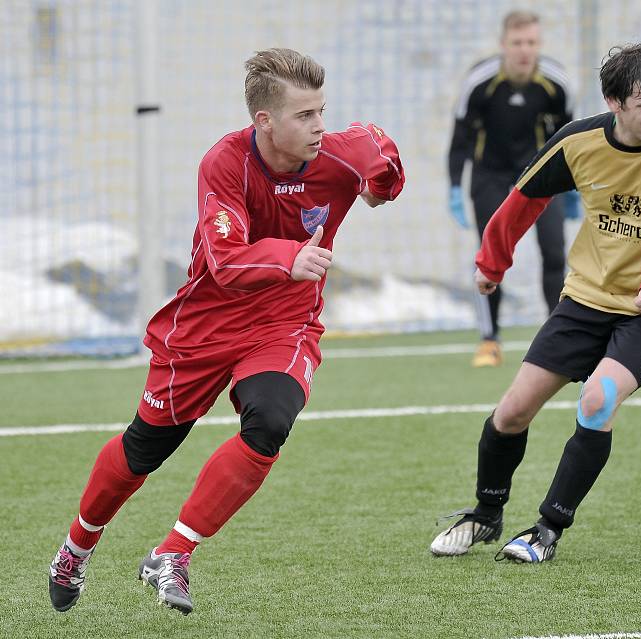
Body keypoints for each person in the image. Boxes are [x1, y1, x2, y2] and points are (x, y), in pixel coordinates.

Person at [48, 48, 404, 614]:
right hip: (206, 324)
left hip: (284, 322)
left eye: (322, 112)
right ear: (264, 121)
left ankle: (174, 553)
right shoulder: (224, 162)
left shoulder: (344, 153)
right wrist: (289, 257)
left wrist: (379, 186)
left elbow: (383, 169)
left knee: (270, 421)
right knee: (145, 449)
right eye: (303, 116)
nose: (319, 127)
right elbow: (225, 260)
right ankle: (75, 548)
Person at [430, 43, 641, 563]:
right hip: (587, 298)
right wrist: (492, 263)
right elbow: (523, 199)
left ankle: (547, 530)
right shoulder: (578, 142)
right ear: (613, 102)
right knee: (511, 413)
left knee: (598, 401)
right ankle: (485, 517)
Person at [448, 10, 574, 367]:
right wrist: (455, 187)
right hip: (489, 177)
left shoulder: (557, 83)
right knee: (490, 256)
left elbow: (570, 137)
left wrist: (575, 185)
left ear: (539, 44)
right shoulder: (480, 83)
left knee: (554, 252)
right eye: (517, 43)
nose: (524, 50)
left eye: (531, 42)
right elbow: (460, 140)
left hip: (539, 176)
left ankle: (558, 334)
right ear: (504, 45)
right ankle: (490, 340)